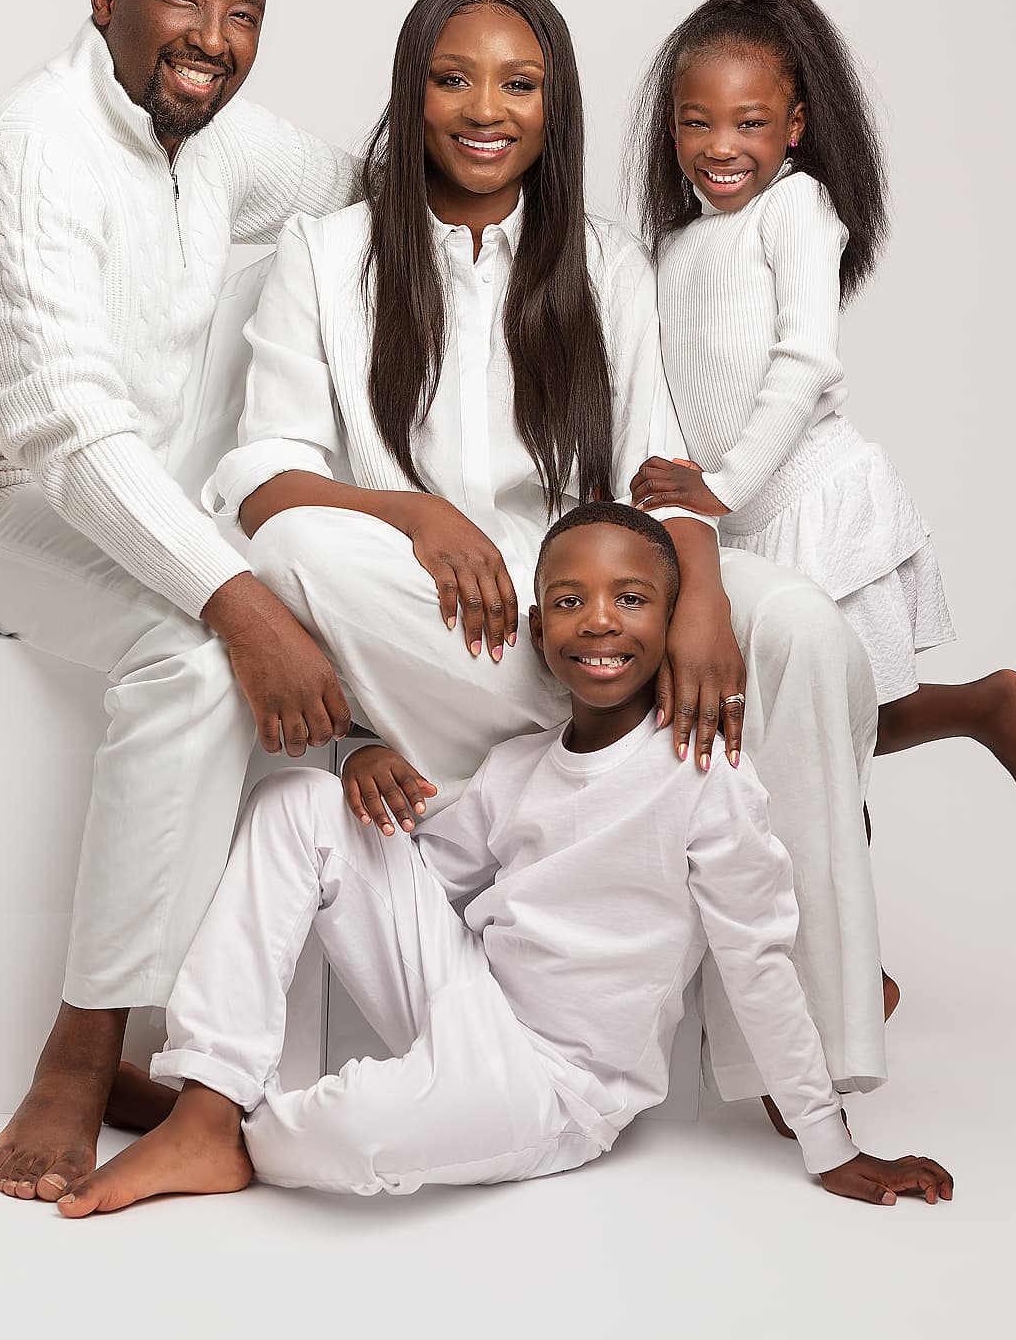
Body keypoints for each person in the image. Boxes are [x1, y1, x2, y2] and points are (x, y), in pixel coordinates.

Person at [204, 0, 890, 1136]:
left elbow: (654, 471)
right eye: (453, 79)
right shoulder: (327, 254)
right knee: (301, 546)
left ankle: (807, 1059)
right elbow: (262, 476)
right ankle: (570, 763)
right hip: (433, 607)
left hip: (597, 601)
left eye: (518, 84)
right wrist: (413, 516)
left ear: (552, 104)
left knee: (800, 630)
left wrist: (698, 598)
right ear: (412, 94)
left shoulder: (606, 262)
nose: (486, 109)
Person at [0, 0, 360, 1204]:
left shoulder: (217, 136)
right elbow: (65, 433)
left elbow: (361, 186)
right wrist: (239, 598)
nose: (214, 38)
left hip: (112, 482)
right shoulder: (29, 149)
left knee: (319, 260)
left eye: (244, 14)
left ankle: (153, 1040)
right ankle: (83, 1051)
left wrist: (537, 213)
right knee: (192, 656)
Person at [56, 504, 954, 1213]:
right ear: (537, 626)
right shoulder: (517, 765)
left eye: (631, 599)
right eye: (569, 601)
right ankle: (209, 1096)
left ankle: (229, 1127)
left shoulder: (705, 774)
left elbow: (759, 963)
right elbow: (421, 877)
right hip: (468, 991)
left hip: (554, 1087)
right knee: (299, 800)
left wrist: (830, 1145)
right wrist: (365, 761)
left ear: (673, 618)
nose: (598, 621)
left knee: (359, 1136)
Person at [629, 0, 1016, 832]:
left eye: (750, 123)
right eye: (697, 122)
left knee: (841, 722)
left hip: (809, 495)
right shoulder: (674, 246)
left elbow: (804, 359)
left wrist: (722, 484)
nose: (721, 145)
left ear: (794, 126)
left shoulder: (795, 205)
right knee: (775, 735)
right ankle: (843, 868)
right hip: (734, 524)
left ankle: (982, 706)